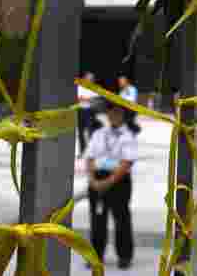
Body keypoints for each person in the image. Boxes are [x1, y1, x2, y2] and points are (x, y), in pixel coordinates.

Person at [85, 101, 137, 270]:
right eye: (111, 112)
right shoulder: (98, 133)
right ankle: (95, 255)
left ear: (123, 115)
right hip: (98, 178)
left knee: (121, 219)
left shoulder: (128, 136)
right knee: (97, 220)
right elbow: (90, 157)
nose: (114, 115)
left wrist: (109, 181)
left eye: (117, 112)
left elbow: (126, 163)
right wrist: (92, 179)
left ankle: (124, 256)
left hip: (119, 181)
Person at [77, 73, 100, 157]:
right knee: (81, 133)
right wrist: (86, 99)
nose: (89, 80)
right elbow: (77, 98)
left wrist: (87, 99)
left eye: (91, 79)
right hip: (80, 111)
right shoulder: (79, 87)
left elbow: (96, 99)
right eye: (88, 79)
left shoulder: (94, 88)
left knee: (91, 132)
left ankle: (91, 152)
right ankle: (82, 151)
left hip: (90, 112)